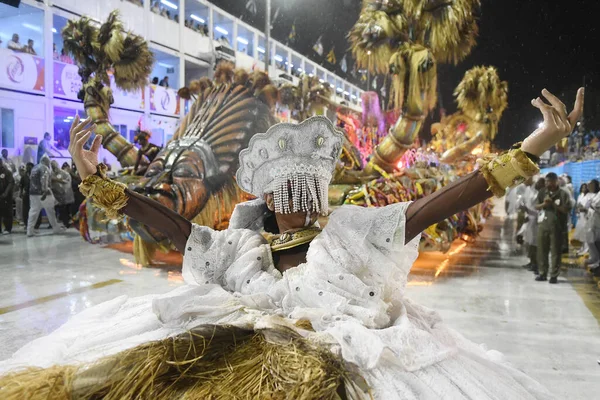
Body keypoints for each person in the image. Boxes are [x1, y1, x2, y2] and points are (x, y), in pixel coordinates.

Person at [0, 88, 583, 399]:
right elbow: (176, 230)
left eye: (306, 188)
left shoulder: (354, 232)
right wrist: (101, 185)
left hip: (345, 356)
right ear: (268, 195)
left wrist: (534, 143)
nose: (297, 201)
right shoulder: (240, 245)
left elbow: (447, 200)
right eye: (286, 190)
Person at [535, 172, 572, 283]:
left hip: (557, 226)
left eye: (549, 181)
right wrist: (544, 205)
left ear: (556, 181)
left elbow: (566, 209)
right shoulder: (542, 192)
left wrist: (554, 205)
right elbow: (536, 206)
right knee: (542, 250)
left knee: (555, 251)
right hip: (543, 225)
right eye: (546, 181)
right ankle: (542, 273)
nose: (547, 183)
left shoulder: (563, 194)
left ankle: (554, 275)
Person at [26, 156, 62, 237]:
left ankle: (29, 231)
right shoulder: (45, 168)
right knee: (50, 211)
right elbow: (44, 179)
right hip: (43, 193)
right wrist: (45, 190)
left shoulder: (34, 168)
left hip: (32, 193)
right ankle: (56, 228)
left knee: (33, 212)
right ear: (47, 162)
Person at [518, 176, 543, 273]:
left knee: (535, 244)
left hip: (536, 220)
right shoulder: (529, 189)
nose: (524, 181)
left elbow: (538, 208)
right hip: (529, 219)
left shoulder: (539, 192)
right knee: (529, 243)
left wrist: (528, 212)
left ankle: (536, 264)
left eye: (526, 179)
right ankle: (532, 262)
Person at [50, 160, 74, 228]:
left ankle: (67, 223)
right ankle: (57, 223)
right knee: (57, 210)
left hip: (65, 196)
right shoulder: (51, 174)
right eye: (52, 166)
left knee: (65, 210)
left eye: (54, 166)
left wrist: (58, 181)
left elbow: (67, 183)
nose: (54, 168)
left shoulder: (65, 174)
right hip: (56, 196)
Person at [573, 182, 592, 254]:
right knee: (581, 233)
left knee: (586, 233)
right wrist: (577, 210)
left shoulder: (589, 196)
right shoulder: (580, 195)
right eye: (582, 187)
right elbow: (578, 205)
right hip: (580, 216)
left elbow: (587, 207)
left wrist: (581, 208)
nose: (583, 189)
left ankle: (586, 249)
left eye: (585, 187)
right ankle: (582, 248)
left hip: (586, 216)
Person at [585, 179, 600, 269]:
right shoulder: (597, 194)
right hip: (593, 221)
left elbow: (596, 206)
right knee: (593, 241)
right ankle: (595, 259)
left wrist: (593, 206)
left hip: (598, 222)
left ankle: (597, 262)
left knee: (597, 242)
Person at [0, 159, 15, 235]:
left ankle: (8, 228)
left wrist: (5, 193)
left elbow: (10, 183)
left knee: (7, 213)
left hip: (6, 197)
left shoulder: (7, 172)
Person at [19, 162, 33, 229]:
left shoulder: (35, 175)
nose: (28, 168)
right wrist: (20, 193)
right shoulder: (24, 176)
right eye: (27, 166)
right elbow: (21, 186)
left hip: (34, 195)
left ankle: (34, 224)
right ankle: (26, 224)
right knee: (25, 210)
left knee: (33, 210)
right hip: (26, 195)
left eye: (29, 167)